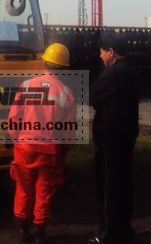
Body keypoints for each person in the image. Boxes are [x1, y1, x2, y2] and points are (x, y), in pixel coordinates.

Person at [8, 43, 76, 244]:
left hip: (24, 149)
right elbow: (68, 131)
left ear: (45, 63)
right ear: (63, 68)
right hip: (50, 151)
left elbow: (14, 120)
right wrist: (63, 151)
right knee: (44, 192)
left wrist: (18, 140)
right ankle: (40, 234)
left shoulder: (26, 86)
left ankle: (22, 232)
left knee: (23, 189)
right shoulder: (66, 94)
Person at [88, 33, 140, 244]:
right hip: (125, 134)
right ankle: (123, 229)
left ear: (111, 51)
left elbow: (92, 95)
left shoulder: (115, 73)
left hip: (111, 137)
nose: (100, 56)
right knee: (123, 183)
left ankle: (107, 233)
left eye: (101, 52)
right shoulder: (132, 70)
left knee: (110, 184)